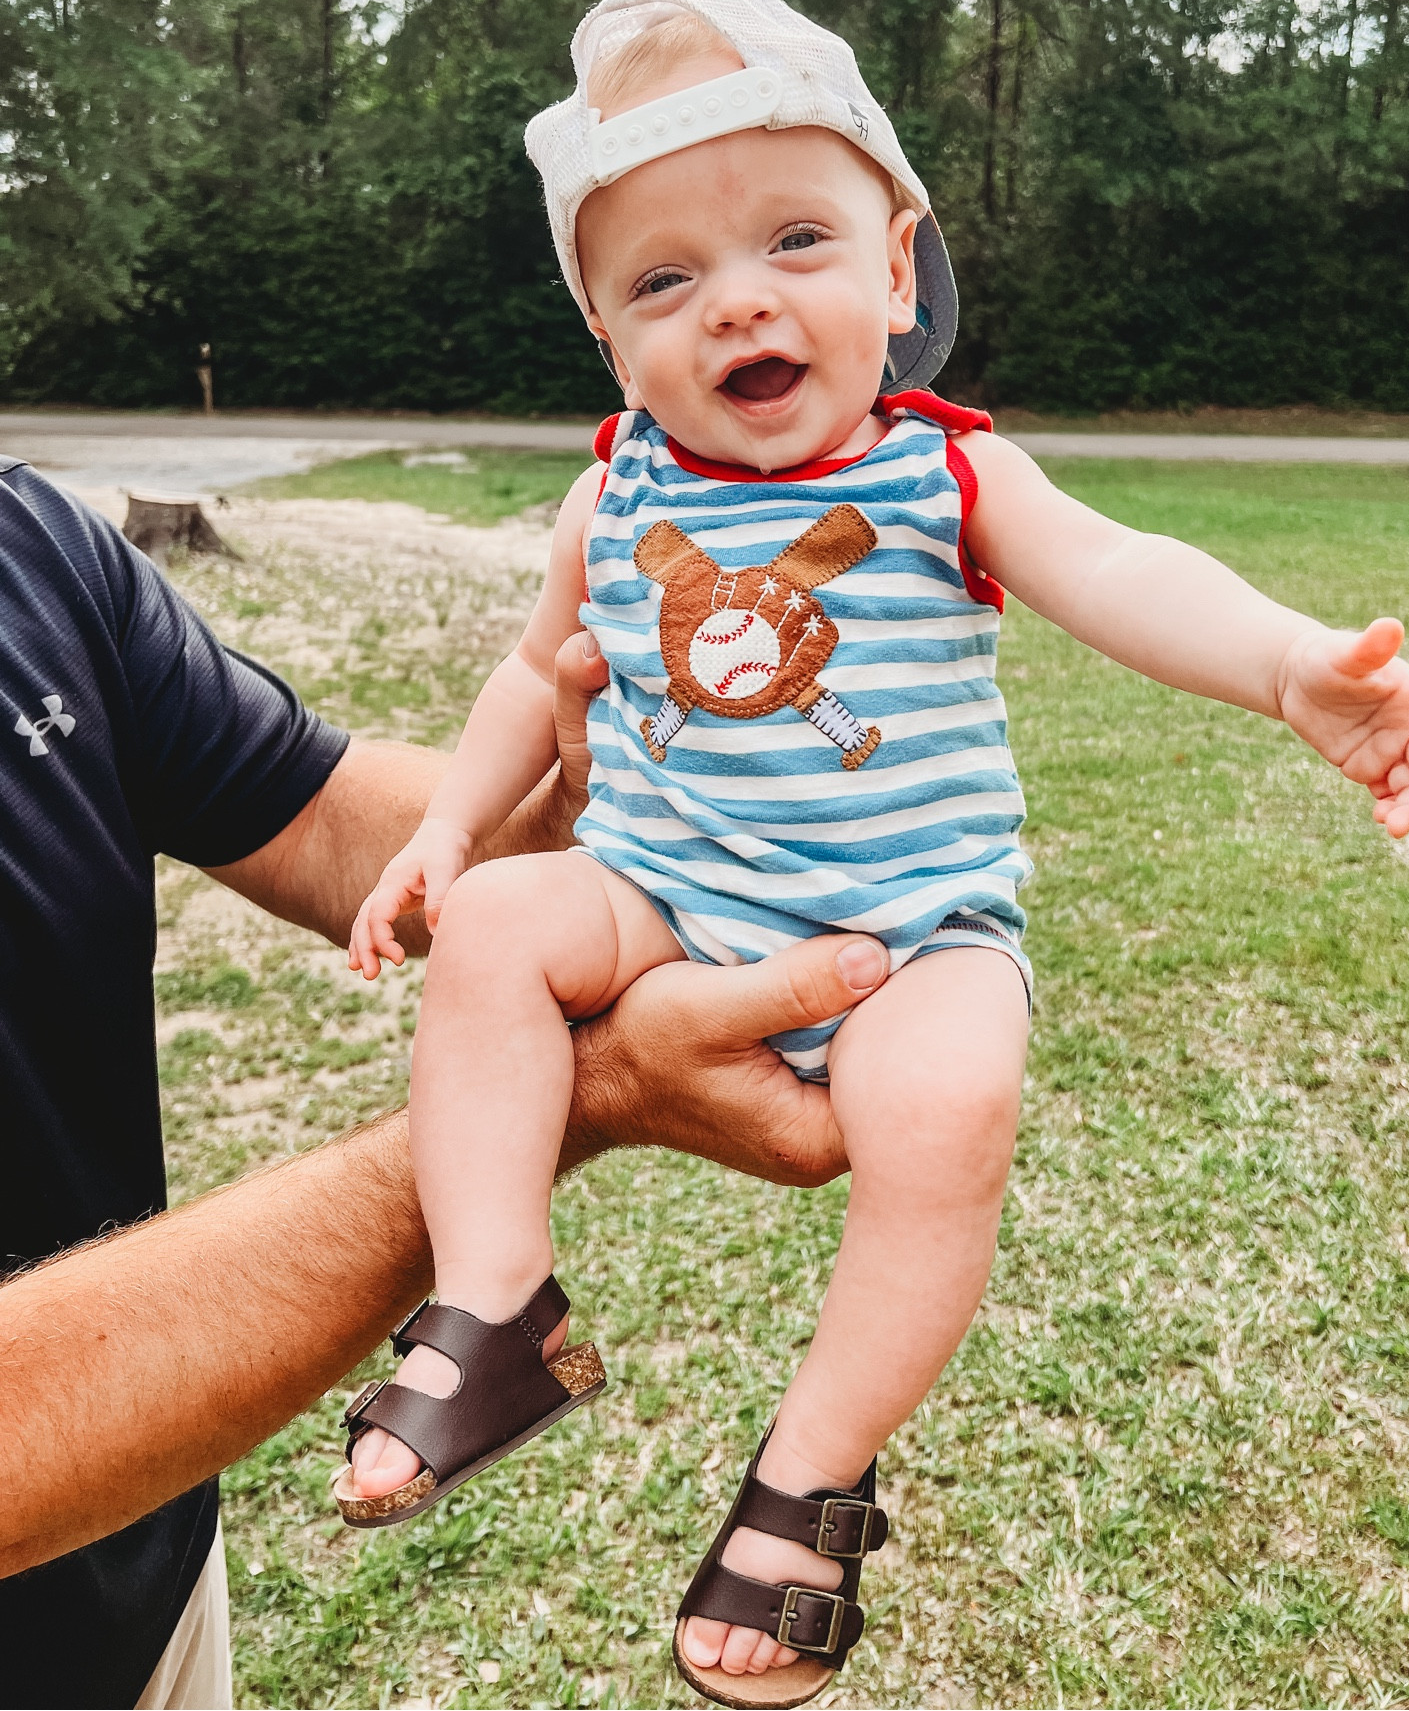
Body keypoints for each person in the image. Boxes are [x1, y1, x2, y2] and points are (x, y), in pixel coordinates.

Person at [337, 0, 1409, 1708]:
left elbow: (1122, 569)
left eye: (793, 240)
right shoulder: (614, 494)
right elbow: (537, 674)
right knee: (505, 923)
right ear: (609, 340)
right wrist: (448, 824)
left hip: (906, 932)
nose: (734, 296)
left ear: (897, 271)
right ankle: (499, 1304)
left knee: (949, 1093)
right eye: (661, 278)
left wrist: (1288, 667)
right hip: (665, 897)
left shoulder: (940, 475)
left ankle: (811, 1468)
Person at [0, 450, 887, 1711]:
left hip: (152, 1576)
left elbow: (324, 822)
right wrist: (574, 1090)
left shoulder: (28, 548)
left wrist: (614, 820)